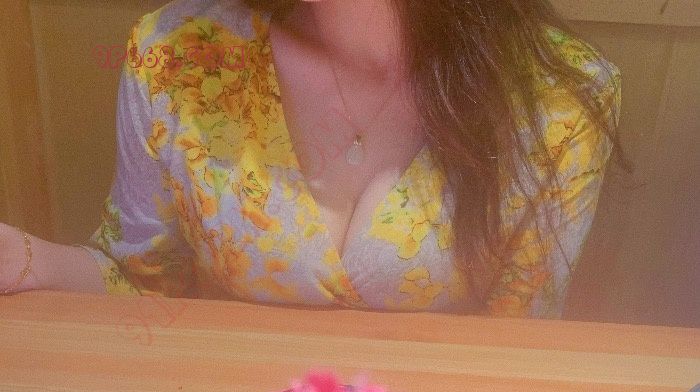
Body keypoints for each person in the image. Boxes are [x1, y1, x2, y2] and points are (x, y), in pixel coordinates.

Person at [0, 0, 620, 316]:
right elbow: (144, 281)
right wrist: (30, 261)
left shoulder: (556, 103)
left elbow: (517, 343)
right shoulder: (179, 58)